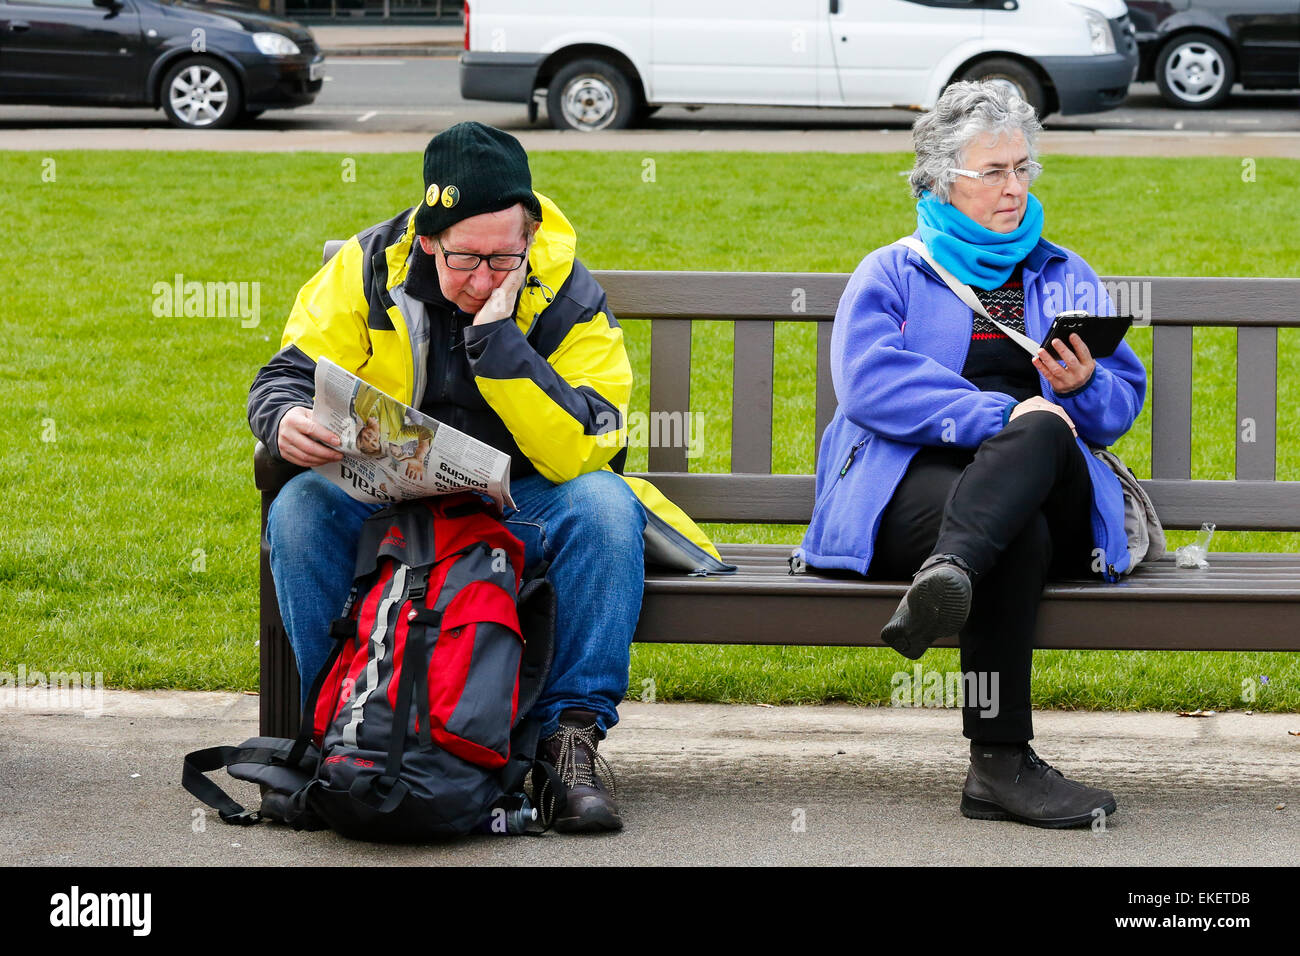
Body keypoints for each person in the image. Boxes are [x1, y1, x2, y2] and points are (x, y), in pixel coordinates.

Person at [248, 122, 728, 833]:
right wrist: (284, 417)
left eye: (503, 259)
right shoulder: (367, 265)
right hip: (392, 501)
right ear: (426, 240)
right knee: (300, 508)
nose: (482, 278)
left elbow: (591, 441)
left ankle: (568, 745)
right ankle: (347, 731)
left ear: (529, 235)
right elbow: (288, 371)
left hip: (516, 502)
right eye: (464, 258)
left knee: (601, 507)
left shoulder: (563, 289)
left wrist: (498, 343)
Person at [795, 81, 1147, 829]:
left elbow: (1118, 407)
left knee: (1049, 431)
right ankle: (999, 767)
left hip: (1050, 488)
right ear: (941, 178)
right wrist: (1003, 412)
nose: (1014, 188)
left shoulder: (1061, 271)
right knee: (1013, 526)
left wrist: (1080, 389)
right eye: (994, 172)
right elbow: (869, 384)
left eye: (1023, 168)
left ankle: (950, 574)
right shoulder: (894, 270)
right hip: (913, 494)